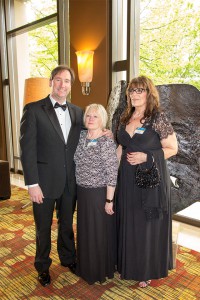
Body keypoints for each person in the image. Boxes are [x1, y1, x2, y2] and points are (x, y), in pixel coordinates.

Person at [20, 65, 84, 286]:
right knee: (43, 227)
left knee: (67, 224)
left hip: (70, 182)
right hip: (43, 183)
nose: (62, 85)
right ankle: (42, 266)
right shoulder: (34, 109)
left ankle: (68, 258)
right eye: (58, 80)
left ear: (70, 85)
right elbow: (27, 150)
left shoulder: (78, 112)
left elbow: (85, 140)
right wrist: (32, 184)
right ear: (51, 82)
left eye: (66, 81)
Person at [115, 75, 178, 287]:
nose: (134, 94)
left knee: (145, 225)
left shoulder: (157, 118)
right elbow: (121, 148)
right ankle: (129, 264)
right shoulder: (126, 118)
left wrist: (147, 157)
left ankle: (146, 269)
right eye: (132, 91)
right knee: (129, 221)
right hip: (126, 180)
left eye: (139, 90)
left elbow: (172, 148)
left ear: (148, 93)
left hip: (149, 180)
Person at [74, 104, 119, 285]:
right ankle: (85, 267)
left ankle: (98, 270)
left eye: (95, 116)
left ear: (103, 120)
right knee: (85, 231)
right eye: (88, 116)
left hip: (98, 194)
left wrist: (109, 200)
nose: (91, 119)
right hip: (82, 192)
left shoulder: (106, 141)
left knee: (97, 232)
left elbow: (112, 173)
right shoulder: (81, 136)